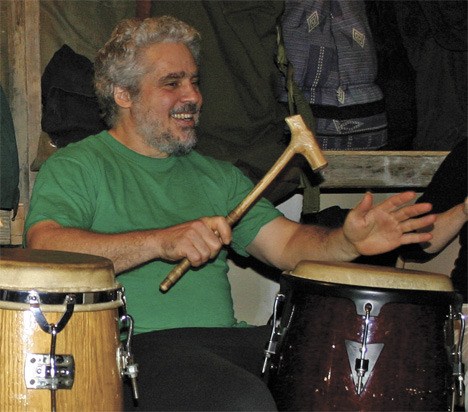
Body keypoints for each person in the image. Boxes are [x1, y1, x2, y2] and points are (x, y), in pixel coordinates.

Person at [24, 16, 436, 411]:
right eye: (172, 83)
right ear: (123, 94)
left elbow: (289, 245)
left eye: (194, 81)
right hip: (136, 351)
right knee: (241, 401)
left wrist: (347, 241)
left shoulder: (217, 176)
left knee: (345, 375)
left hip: (226, 344)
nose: (193, 97)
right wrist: (160, 241)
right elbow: (47, 247)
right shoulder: (78, 166)